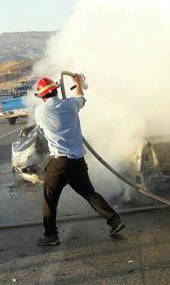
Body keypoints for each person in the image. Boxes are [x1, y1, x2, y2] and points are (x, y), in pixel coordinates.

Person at [34, 73, 125, 246]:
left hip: (60, 163)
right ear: (55, 91)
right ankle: (114, 221)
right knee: (89, 193)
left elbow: (42, 128)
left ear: (42, 96)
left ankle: (50, 235)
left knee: (49, 198)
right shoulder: (70, 105)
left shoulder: (40, 111)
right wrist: (77, 83)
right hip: (78, 161)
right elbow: (81, 98)